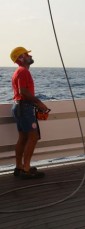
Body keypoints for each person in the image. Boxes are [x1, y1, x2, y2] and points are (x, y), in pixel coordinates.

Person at [10, 47, 49, 179]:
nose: (29, 56)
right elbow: (24, 92)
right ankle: (26, 169)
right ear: (20, 58)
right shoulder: (23, 71)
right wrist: (39, 103)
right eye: (26, 54)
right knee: (33, 137)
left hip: (18, 106)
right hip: (24, 107)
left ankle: (19, 167)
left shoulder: (18, 72)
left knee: (23, 138)